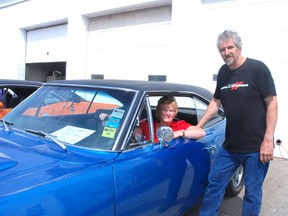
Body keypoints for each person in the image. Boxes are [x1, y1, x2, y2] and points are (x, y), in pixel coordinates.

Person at [197, 29, 278, 216]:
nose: (226, 52)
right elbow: (216, 101)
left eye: (229, 47)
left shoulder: (257, 68)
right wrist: (199, 125)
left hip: (256, 148)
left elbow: (272, 102)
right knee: (214, 185)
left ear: (239, 47)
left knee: (252, 193)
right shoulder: (223, 72)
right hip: (230, 147)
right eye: (222, 49)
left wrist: (268, 140)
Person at [138, 95, 206, 142]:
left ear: (175, 113)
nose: (168, 113)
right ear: (159, 111)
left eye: (171, 111)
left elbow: (201, 132)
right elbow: (133, 131)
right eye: (164, 110)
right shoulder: (148, 126)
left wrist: (179, 133)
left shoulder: (179, 125)